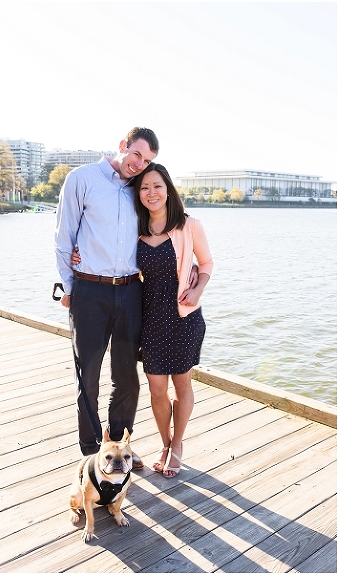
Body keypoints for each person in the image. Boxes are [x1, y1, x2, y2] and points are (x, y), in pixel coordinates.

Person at [54, 127, 161, 466]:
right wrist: (69, 288)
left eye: (147, 161)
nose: (139, 164)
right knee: (89, 376)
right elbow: (63, 237)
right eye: (137, 155)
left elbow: (164, 228)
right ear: (122, 147)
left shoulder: (141, 191)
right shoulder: (81, 179)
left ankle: (118, 445)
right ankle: (91, 451)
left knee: (127, 377)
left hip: (131, 291)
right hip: (89, 291)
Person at [132, 163, 212, 477]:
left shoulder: (189, 225)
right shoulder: (134, 229)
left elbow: (206, 262)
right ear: (138, 194)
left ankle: (177, 444)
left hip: (183, 317)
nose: (151, 193)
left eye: (157, 186)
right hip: (149, 319)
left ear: (168, 189)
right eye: (144, 187)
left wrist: (198, 288)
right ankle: (164, 443)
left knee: (182, 383)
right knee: (155, 388)